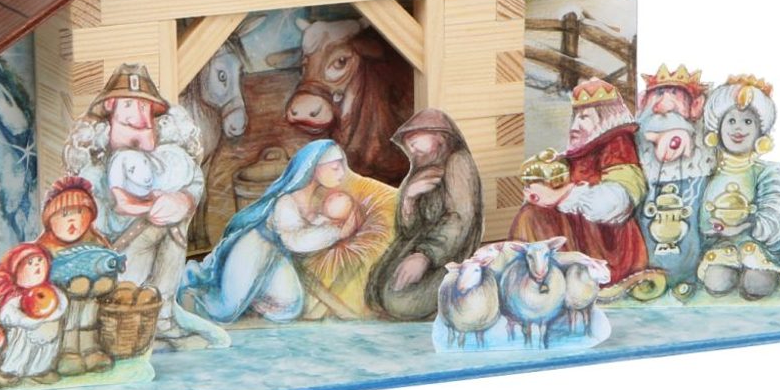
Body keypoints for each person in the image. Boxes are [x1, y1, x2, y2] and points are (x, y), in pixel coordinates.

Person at [66, 63, 227, 346]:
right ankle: (135, 317)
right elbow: (96, 219)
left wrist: (183, 200)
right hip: (114, 264)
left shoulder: (169, 160)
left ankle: (162, 316)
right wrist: (144, 210)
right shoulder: (94, 171)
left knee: (171, 225)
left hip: (160, 261)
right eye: (129, 105)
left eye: (145, 106)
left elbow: (193, 181)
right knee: (158, 227)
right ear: (111, 107)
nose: (139, 117)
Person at [181, 141, 365, 323]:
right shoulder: (286, 201)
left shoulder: (319, 198)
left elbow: (309, 229)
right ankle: (192, 287)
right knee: (225, 309)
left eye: (342, 167)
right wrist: (336, 232)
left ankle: (253, 296)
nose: (342, 173)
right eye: (335, 168)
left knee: (289, 308)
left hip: (275, 255)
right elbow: (294, 241)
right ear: (315, 168)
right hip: (254, 247)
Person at [509, 78, 649, 286]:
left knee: (534, 216)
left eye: (584, 117)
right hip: (577, 234)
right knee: (531, 214)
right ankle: (529, 279)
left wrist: (560, 195)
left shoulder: (617, 145)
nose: (574, 126)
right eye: (574, 117)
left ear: (605, 119)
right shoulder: (576, 154)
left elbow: (613, 203)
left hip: (607, 245)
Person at [696, 75, 780, 300]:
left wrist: (749, 225)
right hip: (721, 245)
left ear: (760, 131)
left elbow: (777, 207)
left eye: (748, 122)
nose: (738, 128)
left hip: (758, 245)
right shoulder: (707, 171)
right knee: (717, 281)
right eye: (731, 121)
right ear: (717, 128)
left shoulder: (766, 172)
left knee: (757, 284)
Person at [366, 109, 483, 321]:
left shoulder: (457, 162)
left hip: (448, 253)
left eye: (415, 140)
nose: (411, 148)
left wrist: (425, 256)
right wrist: (409, 199)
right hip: (419, 246)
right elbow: (407, 230)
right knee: (376, 287)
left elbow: (458, 219)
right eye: (408, 144)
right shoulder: (421, 170)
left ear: (439, 136)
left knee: (401, 302)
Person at [634, 65, 716, 297]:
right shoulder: (641, 141)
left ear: (695, 105)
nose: (666, 102)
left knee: (688, 229)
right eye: (659, 93)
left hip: (689, 179)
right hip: (650, 184)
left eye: (675, 93)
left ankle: (686, 275)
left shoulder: (701, 149)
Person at [36, 175, 113, 376]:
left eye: (79, 212)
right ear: (50, 220)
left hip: (90, 301)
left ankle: (91, 349)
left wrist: (104, 281)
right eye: (64, 214)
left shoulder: (95, 241)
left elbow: (108, 263)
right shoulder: (45, 248)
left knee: (89, 316)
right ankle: (68, 352)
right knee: (69, 317)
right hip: (61, 305)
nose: (72, 220)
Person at [0, 243, 67, 388]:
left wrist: (53, 314)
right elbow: (7, 314)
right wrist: (25, 320)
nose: (37, 265)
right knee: (20, 351)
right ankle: (10, 372)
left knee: (46, 351)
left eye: (40, 260)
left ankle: (40, 371)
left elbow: (62, 302)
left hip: (48, 330)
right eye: (30, 262)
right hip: (23, 333)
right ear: (16, 271)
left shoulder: (51, 291)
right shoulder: (16, 296)